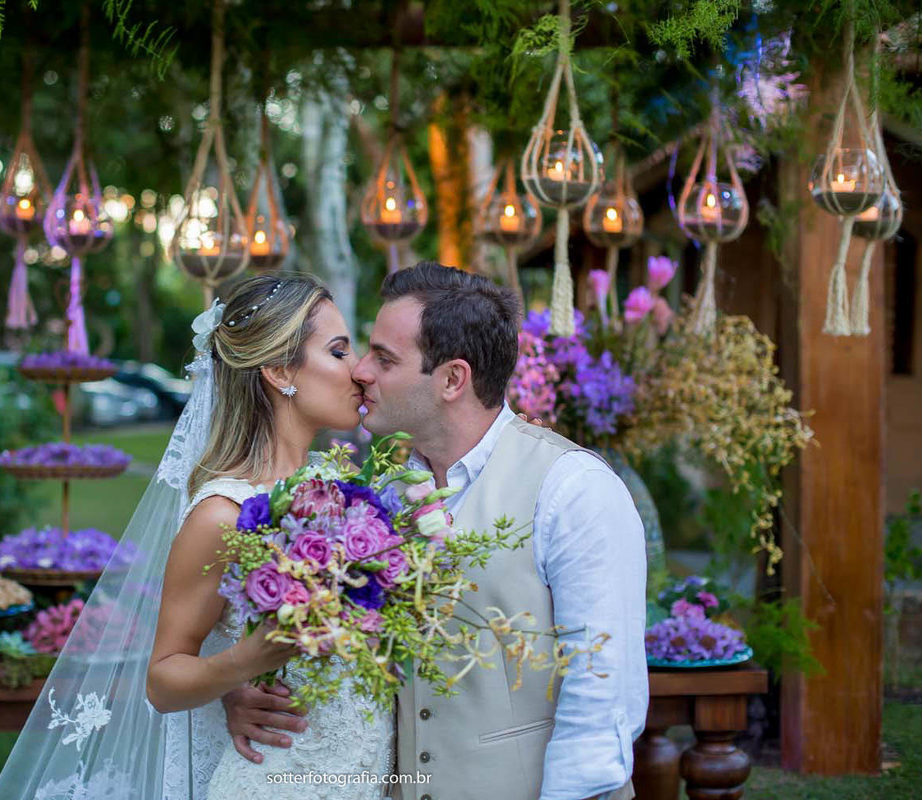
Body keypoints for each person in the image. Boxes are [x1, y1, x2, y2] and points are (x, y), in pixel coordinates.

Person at [223, 262, 648, 800]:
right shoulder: (382, 497)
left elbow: (602, 695)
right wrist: (238, 692)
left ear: (452, 379)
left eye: (384, 358)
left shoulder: (572, 489)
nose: (361, 372)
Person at [0, 273, 391, 800]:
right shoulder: (222, 514)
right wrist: (240, 669)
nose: (358, 369)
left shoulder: (344, 487)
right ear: (278, 371)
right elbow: (162, 679)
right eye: (338, 351)